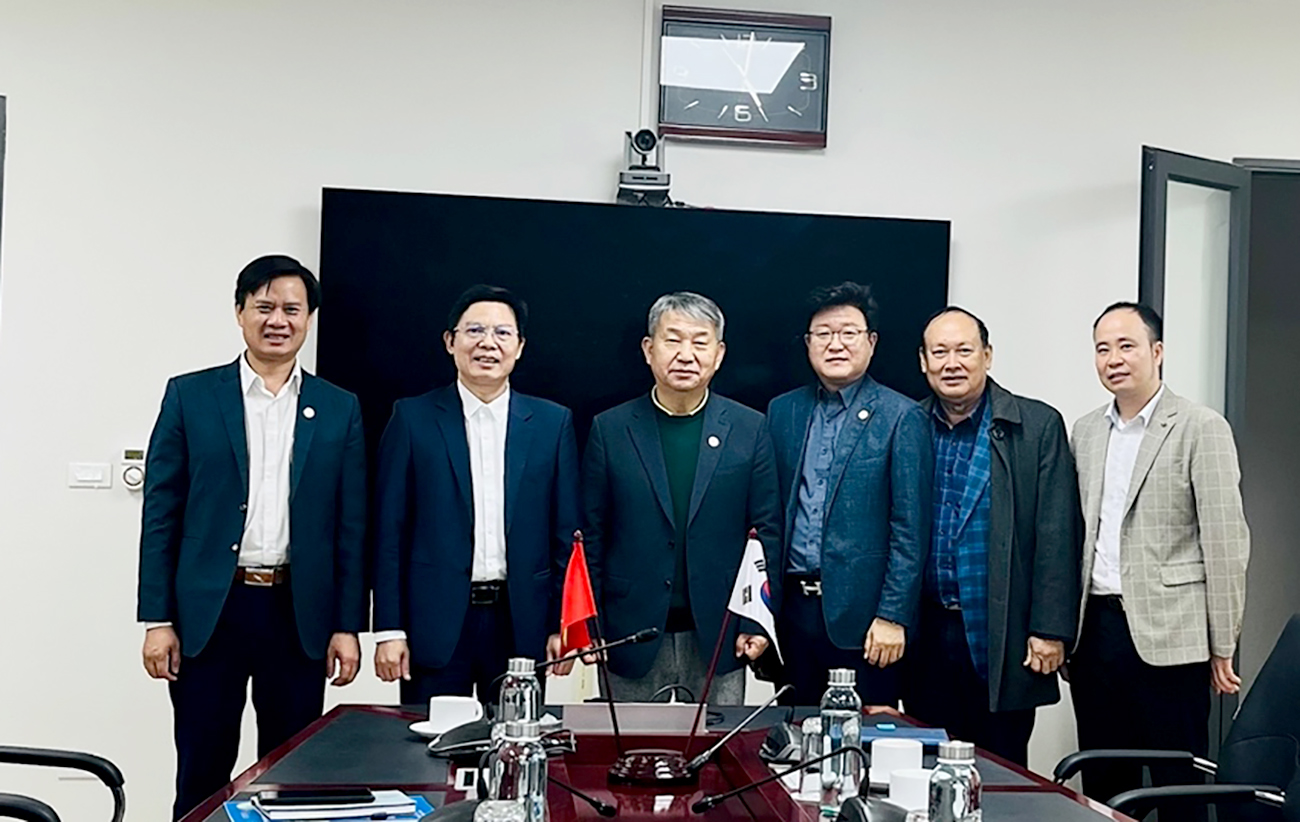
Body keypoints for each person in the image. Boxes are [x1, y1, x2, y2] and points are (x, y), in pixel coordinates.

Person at [137, 255, 366, 820]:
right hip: (210, 612)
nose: (277, 320)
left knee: (292, 774)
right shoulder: (191, 395)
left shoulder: (338, 408)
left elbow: (350, 525)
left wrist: (346, 624)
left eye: (291, 309)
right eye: (264, 307)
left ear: (308, 318)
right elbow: (161, 511)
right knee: (202, 769)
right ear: (240, 312)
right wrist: (157, 618)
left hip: (297, 613)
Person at [1069, 301, 1250, 817]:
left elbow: (1225, 540)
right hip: (1096, 632)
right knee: (1104, 783)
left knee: (1178, 785)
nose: (1113, 359)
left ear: (1157, 351)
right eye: (1102, 349)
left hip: (1174, 636)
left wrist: (1223, 643)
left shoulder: (1200, 426)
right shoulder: (1085, 431)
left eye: (1126, 346)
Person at [372, 284, 580, 705]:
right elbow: (389, 531)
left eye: (502, 333)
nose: (488, 343)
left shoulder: (551, 423)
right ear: (450, 341)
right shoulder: (412, 418)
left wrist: (563, 624)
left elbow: (565, 533)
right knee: (429, 741)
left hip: (520, 623)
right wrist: (389, 629)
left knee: (514, 739)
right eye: (475, 331)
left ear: (519, 347)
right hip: (434, 622)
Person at [582, 292, 781, 704]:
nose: (686, 354)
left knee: (717, 745)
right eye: (672, 340)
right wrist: (589, 624)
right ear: (648, 349)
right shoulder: (610, 429)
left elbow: (767, 532)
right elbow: (592, 535)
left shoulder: (749, 428)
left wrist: (757, 620)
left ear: (719, 354)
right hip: (628, 630)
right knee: (629, 745)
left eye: (699, 342)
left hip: (720, 630)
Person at [905, 307, 1081, 766]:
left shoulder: (1036, 426)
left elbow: (1057, 532)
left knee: (1002, 769)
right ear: (923, 362)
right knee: (925, 766)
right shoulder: (908, 425)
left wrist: (1050, 629)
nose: (952, 363)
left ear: (987, 355)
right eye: (939, 352)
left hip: (1002, 630)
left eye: (964, 350)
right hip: (928, 631)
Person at [765, 282, 933, 706]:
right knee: (792, 730)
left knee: (863, 734)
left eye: (848, 333)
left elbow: (910, 528)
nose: (835, 344)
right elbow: (769, 515)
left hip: (866, 623)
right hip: (792, 614)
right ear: (808, 343)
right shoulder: (783, 411)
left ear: (871, 342)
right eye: (823, 333)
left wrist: (893, 615)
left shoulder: (902, 416)